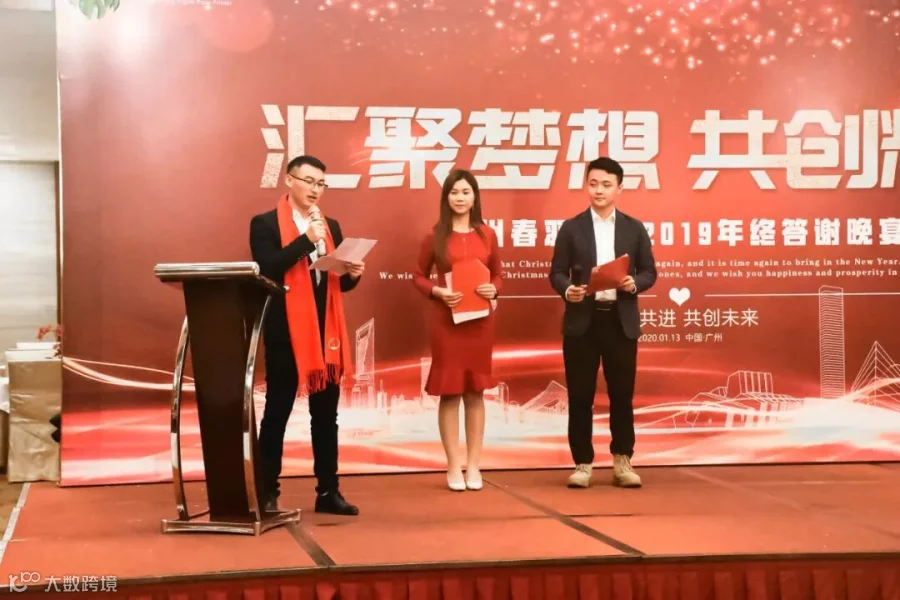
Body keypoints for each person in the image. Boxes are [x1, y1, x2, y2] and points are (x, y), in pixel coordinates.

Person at [249, 154, 364, 515]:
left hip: (325, 330)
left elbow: (338, 282)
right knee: (277, 410)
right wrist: (306, 239)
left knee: (326, 416)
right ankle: (267, 491)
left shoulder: (331, 226)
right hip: (286, 328)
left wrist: (353, 273)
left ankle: (328, 491)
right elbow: (267, 268)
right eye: (309, 181)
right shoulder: (265, 223)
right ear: (289, 180)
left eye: (321, 184)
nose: (316, 190)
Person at [548, 156, 657, 489]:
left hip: (620, 322)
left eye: (607, 185)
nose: (599, 190)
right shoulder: (572, 227)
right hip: (582, 321)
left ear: (620, 188)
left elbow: (649, 272)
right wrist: (568, 290)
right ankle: (582, 463)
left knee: (622, 395)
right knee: (580, 395)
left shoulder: (634, 228)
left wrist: (633, 283)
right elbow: (556, 272)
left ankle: (623, 461)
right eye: (593, 183)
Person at [413, 169, 502, 492]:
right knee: (450, 392)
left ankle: (474, 465)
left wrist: (494, 288)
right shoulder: (435, 235)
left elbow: (499, 275)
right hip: (446, 321)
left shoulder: (487, 234)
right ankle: (453, 465)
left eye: (465, 192)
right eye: (454, 192)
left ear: (475, 197)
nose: (460, 198)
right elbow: (418, 276)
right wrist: (437, 291)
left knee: (475, 392)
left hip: (480, 322)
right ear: (446, 197)